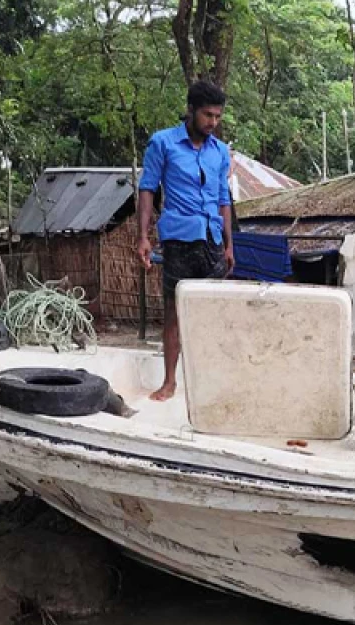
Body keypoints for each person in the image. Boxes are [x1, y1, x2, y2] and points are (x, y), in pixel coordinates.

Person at [137, 79, 236, 401]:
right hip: (178, 238)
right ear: (191, 110)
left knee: (213, 313)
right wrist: (143, 237)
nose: (213, 122)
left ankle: (211, 382)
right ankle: (169, 382)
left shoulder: (220, 152)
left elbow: (224, 199)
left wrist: (229, 243)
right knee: (174, 311)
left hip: (212, 240)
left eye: (218, 117)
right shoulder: (162, 143)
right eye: (208, 115)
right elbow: (148, 189)